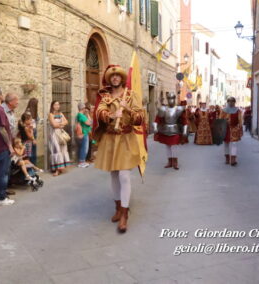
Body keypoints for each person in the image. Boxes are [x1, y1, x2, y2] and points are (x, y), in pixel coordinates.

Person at [93, 65, 144, 233]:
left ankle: (124, 214)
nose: (115, 78)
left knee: (124, 175)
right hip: (110, 139)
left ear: (122, 78)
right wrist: (111, 115)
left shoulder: (130, 96)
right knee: (114, 174)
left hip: (126, 139)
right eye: (112, 76)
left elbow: (140, 118)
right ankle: (117, 208)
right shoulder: (105, 96)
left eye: (117, 76)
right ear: (109, 79)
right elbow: (99, 111)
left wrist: (127, 108)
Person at [154, 93, 188, 170]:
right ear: (167, 99)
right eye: (169, 98)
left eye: (172, 98)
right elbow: (157, 119)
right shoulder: (164, 108)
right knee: (167, 146)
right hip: (165, 130)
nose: (171, 100)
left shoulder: (178, 109)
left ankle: (175, 162)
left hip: (175, 129)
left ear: (174, 99)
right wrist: (155, 127)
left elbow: (184, 121)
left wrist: (185, 131)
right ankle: (169, 162)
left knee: (174, 146)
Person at [48, 100, 71, 176]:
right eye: (55, 104)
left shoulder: (60, 113)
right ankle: (57, 170)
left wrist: (59, 124)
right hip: (54, 134)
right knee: (56, 150)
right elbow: (54, 125)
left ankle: (61, 168)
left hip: (60, 134)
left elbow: (66, 121)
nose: (57, 106)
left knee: (62, 149)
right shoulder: (50, 114)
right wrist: (61, 124)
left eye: (58, 104)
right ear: (52, 106)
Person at [220, 97, 243, 166]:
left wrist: (240, 127)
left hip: (234, 129)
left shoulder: (238, 111)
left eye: (232, 101)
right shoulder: (223, 110)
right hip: (226, 129)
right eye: (229, 101)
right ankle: (227, 157)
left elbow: (240, 120)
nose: (231, 103)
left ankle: (233, 159)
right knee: (226, 144)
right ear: (227, 102)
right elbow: (220, 119)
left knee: (234, 144)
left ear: (234, 102)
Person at [76, 102, 91, 168]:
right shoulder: (81, 115)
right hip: (83, 133)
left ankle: (82, 161)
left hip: (84, 132)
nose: (85, 109)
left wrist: (87, 115)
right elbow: (89, 123)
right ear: (83, 108)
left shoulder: (81, 115)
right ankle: (81, 161)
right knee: (84, 147)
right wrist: (87, 114)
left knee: (83, 147)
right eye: (85, 108)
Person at [25, 98, 39, 165]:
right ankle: (32, 168)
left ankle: (33, 167)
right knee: (31, 152)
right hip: (31, 134)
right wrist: (33, 138)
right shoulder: (29, 114)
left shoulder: (33, 113)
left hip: (33, 133)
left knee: (33, 151)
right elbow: (30, 127)